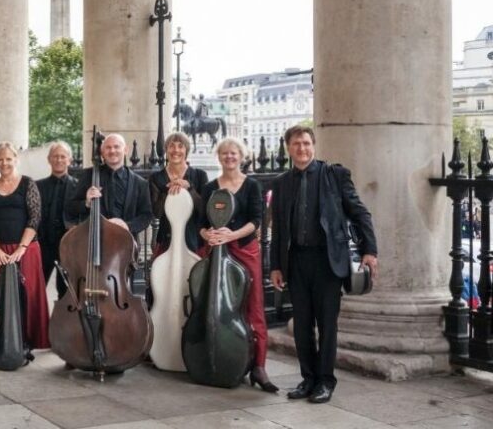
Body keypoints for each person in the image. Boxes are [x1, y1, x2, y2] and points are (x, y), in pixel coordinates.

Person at [270, 125, 378, 404]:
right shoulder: (281, 183)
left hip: (328, 261)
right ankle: (308, 379)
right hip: (296, 262)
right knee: (303, 325)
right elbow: (279, 229)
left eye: (306, 143)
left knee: (327, 325)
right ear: (288, 148)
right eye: (296, 144)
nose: (302, 149)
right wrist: (276, 266)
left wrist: (370, 251)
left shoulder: (335, 175)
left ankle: (325, 381)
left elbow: (359, 212)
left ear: (314, 146)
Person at [198, 137, 276, 393]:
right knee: (216, 305)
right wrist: (207, 235)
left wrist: (231, 235)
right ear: (218, 157)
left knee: (253, 306)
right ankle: (223, 357)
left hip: (243, 249)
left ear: (241, 156)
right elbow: (201, 223)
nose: (229, 157)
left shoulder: (252, 185)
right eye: (224, 153)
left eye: (233, 153)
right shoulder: (210, 187)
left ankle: (259, 366)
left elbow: (257, 220)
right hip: (217, 251)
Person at [0, 143, 49, 353]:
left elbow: (35, 218)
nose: (4, 163)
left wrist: (21, 248)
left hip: (26, 250)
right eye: (0, 159)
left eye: (8, 159)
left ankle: (26, 343)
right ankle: (0, 343)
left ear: (15, 159)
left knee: (27, 296)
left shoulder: (28, 184)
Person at [66, 133, 154, 238]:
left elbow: (146, 215)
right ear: (102, 153)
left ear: (125, 150)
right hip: (93, 240)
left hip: (126, 244)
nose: (112, 151)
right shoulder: (88, 176)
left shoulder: (140, 183)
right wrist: (87, 203)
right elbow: (70, 207)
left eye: (116, 147)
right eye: (108, 147)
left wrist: (127, 225)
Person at [149, 132, 209, 256]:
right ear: (166, 149)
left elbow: (205, 210)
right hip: (166, 239)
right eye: (171, 146)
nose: (176, 150)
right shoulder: (156, 178)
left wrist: (190, 188)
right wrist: (168, 191)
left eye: (180, 146)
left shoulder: (200, 175)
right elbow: (156, 213)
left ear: (186, 150)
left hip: (195, 239)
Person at [35, 141, 77, 299]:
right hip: (43, 245)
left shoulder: (78, 186)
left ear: (69, 160)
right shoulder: (37, 186)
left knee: (65, 291)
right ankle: (37, 323)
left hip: (67, 246)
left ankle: (62, 323)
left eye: (62, 156)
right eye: (55, 156)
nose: (59, 160)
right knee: (36, 289)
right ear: (49, 159)